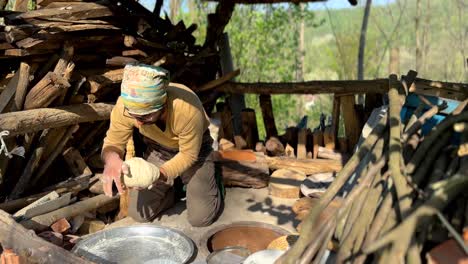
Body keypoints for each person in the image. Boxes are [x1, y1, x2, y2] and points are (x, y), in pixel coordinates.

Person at [101, 63, 222, 227]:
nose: (137, 122)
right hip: (159, 149)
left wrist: (160, 174)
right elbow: (113, 142)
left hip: (195, 150)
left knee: (200, 218)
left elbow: (188, 155)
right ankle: (175, 188)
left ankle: (214, 177)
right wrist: (111, 158)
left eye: (144, 117)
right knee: (139, 214)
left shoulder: (186, 109)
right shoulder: (125, 105)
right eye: (133, 115)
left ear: (162, 105)